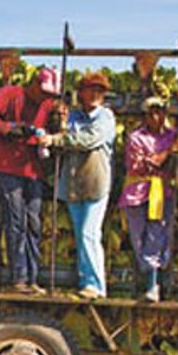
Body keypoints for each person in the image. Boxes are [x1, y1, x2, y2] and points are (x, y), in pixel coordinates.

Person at [0, 67, 62, 294]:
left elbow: (57, 124)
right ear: (34, 83)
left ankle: (32, 278)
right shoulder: (13, 93)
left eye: (50, 96)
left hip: (33, 169)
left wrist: (57, 119)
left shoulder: (47, 103)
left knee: (33, 224)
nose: (46, 98)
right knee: (15, 223)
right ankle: (19, 278)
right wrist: (4, 128)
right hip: (9, 168)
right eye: (44, 93)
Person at [45, 72, 116, 299]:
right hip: (73, 184)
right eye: (90, 90)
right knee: (80, 235)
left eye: (99, 91)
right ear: (81, 93)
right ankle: (87, 282)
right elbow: (62, 133)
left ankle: (96, 285)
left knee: (89, 233)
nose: (95, 94)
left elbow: (88, 140)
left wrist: (57, 138)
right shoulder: (74, 116)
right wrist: (58, 123)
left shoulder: (105, 117)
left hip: (96, 184)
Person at [119, 90, 178, 301]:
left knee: (157, 235)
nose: (155, 118)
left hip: (161, 192)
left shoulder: (171, 135)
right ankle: (148, 278)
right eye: (150, 114)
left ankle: (153, 285)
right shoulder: (136, 137)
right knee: (139, 238)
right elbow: (146, 163)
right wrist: (168, 152)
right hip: (136, 193)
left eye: (159, 113)